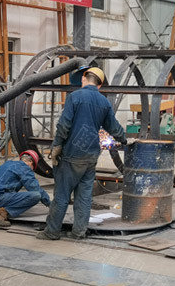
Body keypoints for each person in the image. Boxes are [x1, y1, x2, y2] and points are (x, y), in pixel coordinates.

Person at [37, 66, 126, 240]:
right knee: (84, 196)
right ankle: (78, 232)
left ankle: (52, 231)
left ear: (84, 79)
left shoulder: (74, 97)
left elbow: (64, 124)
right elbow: (114, 127)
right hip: (91, 155)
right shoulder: (104, 102)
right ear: (99, 85)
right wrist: (124, 139)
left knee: (62, 195)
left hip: (72, 153)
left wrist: (57, 146)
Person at [0, 150, 51, 227]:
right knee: (36, 195)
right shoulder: (24, 168)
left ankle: (0, 209)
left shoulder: (8, 164)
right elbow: (34, 188)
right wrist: (50, 204)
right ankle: (1, 212)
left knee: (18, 192)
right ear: (31, 162)